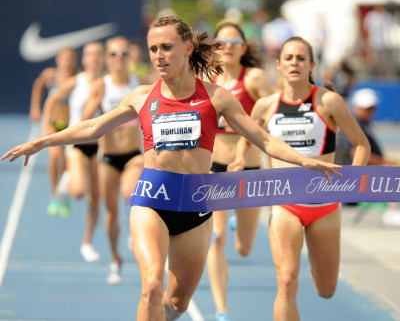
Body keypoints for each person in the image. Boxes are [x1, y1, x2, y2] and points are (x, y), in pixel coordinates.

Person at [2, 17, 343, 321]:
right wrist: (44, 141)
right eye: (153, 49)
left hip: (196, 205)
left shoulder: (217, 97)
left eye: (166, 47)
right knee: (151, 286)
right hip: (152, 198)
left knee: (177, 302)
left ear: (188, 48)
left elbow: (264, 139)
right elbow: (93, 128)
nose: (159, 55)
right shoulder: (141, 96)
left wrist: (303, 160)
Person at [228, 36, 370, 321]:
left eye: (301, 58)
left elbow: (362, 145)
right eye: (289, 58)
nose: (294, 63)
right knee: (286, 281)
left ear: (311, 65)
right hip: (284, 205)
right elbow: (248, 136)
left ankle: (317, 267)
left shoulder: (328, 100)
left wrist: (354, 178)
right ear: (278, 65)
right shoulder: (266, 106)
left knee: (326, 289)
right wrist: (241, 157)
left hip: (324, 207)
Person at [207, 21, 275, 321]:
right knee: (216, 237)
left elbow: (276, 115)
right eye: (222, 40)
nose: (229, 45)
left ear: (244, 47)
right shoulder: (205, 78)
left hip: (248, 172)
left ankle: (239, 225)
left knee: (245, 248)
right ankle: (221, 309)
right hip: (214, 169)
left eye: (235, 41)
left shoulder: (255, 78)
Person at [81, 36, 143, 285]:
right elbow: (85, 121)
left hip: (132, 156)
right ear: (107, 59)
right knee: (111, 215)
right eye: (114, 54)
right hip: (106, 158)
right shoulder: (101, 85)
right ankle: (115, 259)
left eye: (124, 53)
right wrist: (96, 104)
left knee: (130, 192)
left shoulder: (139, 84)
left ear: (130, 57)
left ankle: (134, 232)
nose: (119, 58)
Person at [41, 42, 105, 261]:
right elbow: (51, 98)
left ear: (103, 58)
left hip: (101, 147)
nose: (94, 58)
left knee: (95, 200)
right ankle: (66, 182)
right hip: (78, 144)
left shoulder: (109, 82)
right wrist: (46, 127)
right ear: (84, 59)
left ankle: (87, 242)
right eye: (90, 54)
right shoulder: (75, 82)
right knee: (79, 191)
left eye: (98, 54)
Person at [336, 88, 400, 225]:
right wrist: (384, 163)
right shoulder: (353, 125)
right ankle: (393, 211)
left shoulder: (365, 125)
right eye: (367, 108)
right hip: (358, 174)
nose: (370, 112)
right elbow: (355, 152)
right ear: (356, 107)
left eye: (372, 108)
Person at [29, 47, 77, 215]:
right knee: (55, 157)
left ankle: (62, 192)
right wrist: (35, 106)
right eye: (64, 57)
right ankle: (53, 194)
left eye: (70, 57)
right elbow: (38, 84)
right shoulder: (51, 74)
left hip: (70, 124)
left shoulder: (77, 77)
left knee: (65, 162)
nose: (67, 61)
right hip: (52, 123)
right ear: (58, 59)